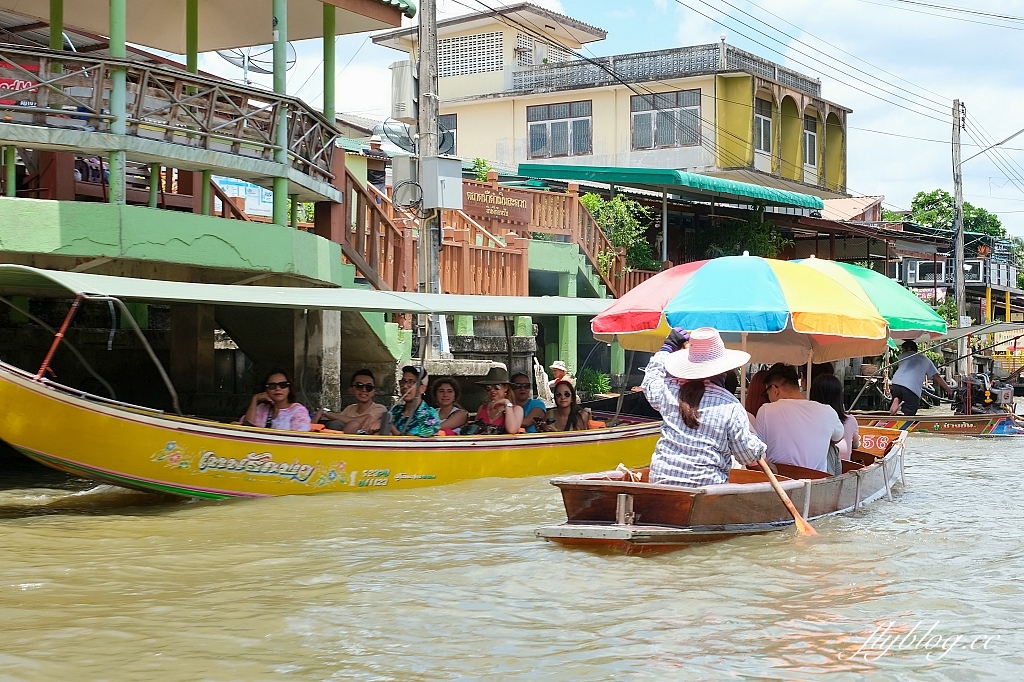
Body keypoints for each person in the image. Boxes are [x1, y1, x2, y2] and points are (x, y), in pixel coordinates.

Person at [642, 327, 766, 487]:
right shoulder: (730, 404)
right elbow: (747, 455)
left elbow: (650, 380)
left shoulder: (670, 391)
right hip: (707, 490)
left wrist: (667, 347)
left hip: (661, 483)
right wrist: (758, 445)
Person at [756, 363, 843, 474]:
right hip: (817, 484)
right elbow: (838, 438)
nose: (768, 398)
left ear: (774, 389)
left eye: (766, 394)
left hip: (780, 483)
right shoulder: (827, 411)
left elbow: (759, 450)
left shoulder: (765, 410)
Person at [315, 369, 387, 434]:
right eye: (359, 386)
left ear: (374, 392)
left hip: (365, 444)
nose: (364, 390)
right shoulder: (350, 408)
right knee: (335, 423)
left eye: (369, 387)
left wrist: (326, 413)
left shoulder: (379, 408)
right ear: (351, 390)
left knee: (354, 424)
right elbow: (338, 421)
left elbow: (358, 421)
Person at [890, 340, 953, 416]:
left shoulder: (902, 357)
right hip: (910, 387)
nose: (903, 352)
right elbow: (937, 376)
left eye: (903, 349)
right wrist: (949, 390)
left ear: (908, 349)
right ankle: (906, 424)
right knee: (910, 412)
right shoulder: (926, 360)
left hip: (896, 383)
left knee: (899, 395)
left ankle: (897, 400)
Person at [241, 368, 311, 432]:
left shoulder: (298, 411)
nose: (278, 389)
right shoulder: (262, 408)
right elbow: (246, 429)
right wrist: (255, 399)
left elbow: (299, 438)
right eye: (272, 386)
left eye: (283, 385)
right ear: (266, 390)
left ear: (289, 389)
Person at [810, 374, 860, 461]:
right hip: (844, 472)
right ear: (839, 397)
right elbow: (855, 445)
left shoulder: (809, 421)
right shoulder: (850, 421)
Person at [389, 365, 441, 437]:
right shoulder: (395, 410)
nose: (405, 386)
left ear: (422, 389)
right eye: (403, 382)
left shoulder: (429, 415)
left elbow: (411, 441)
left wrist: (389, 426)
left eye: (411, 382)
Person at [471, 366, 524, 434]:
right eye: (488, 387)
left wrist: (507, 403)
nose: (492, 390)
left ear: (505, 388)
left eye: (497, 387)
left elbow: (512, 430)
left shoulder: (517, 409)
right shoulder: (482, 408)